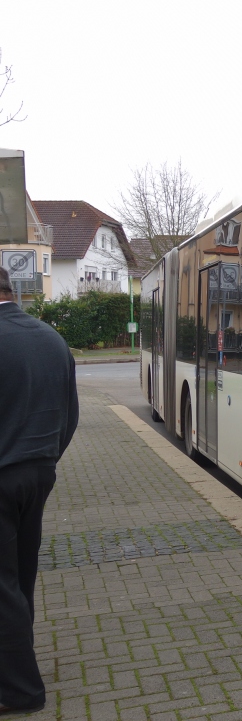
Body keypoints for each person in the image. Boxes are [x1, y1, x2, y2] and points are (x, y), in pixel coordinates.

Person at [0, 265, 79, 714]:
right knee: (20, 577)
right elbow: (70, 414)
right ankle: (15, 657)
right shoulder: (52, 339)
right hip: (39, 472)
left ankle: (20, 689)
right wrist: (46, 459)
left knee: (2, 583)